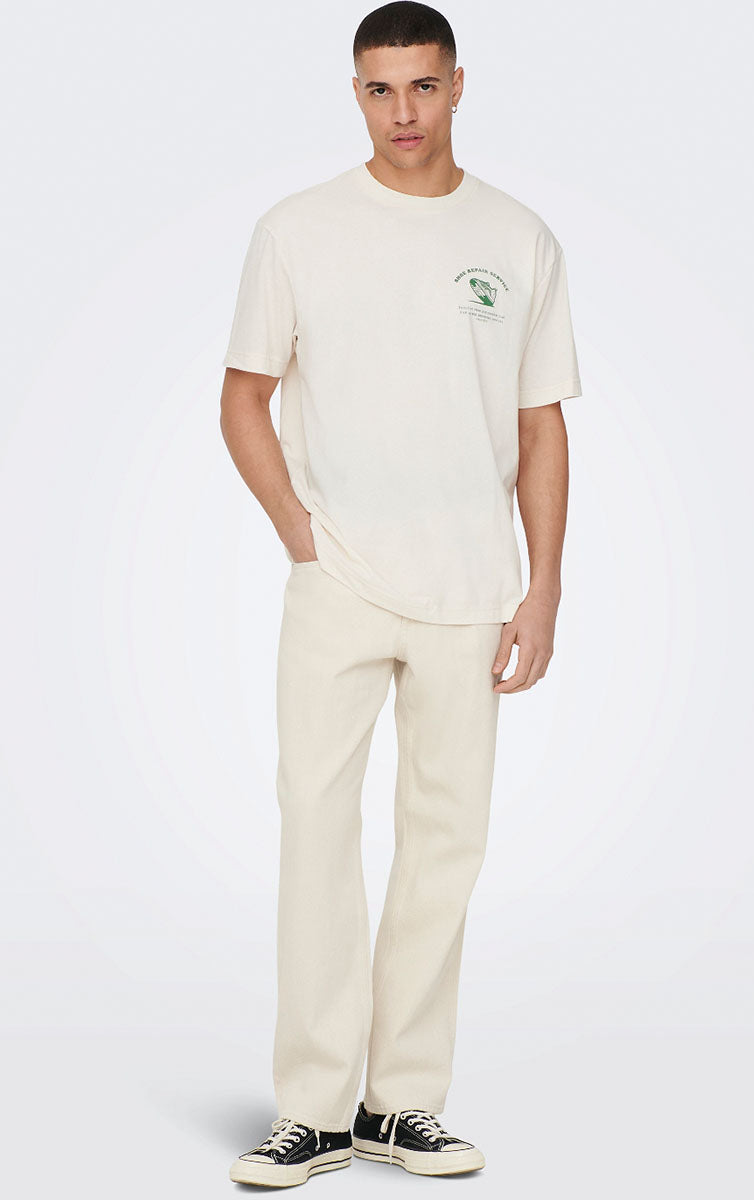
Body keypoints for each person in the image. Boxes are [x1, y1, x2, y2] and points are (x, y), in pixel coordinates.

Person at [220, 1, 582, 1186]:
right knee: (316, 833)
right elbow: (243, 395)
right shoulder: (297, 229)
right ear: (356, 93)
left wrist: (541, 588)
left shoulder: (516, 237)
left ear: (457, 85)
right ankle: (312, 1109)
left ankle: (401, 1104)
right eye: (379, 89)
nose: (402, 112)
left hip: (469, 587)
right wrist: (298, 532)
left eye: (422, 85)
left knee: (443, 845)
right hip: (337, 582)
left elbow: (539, 425)